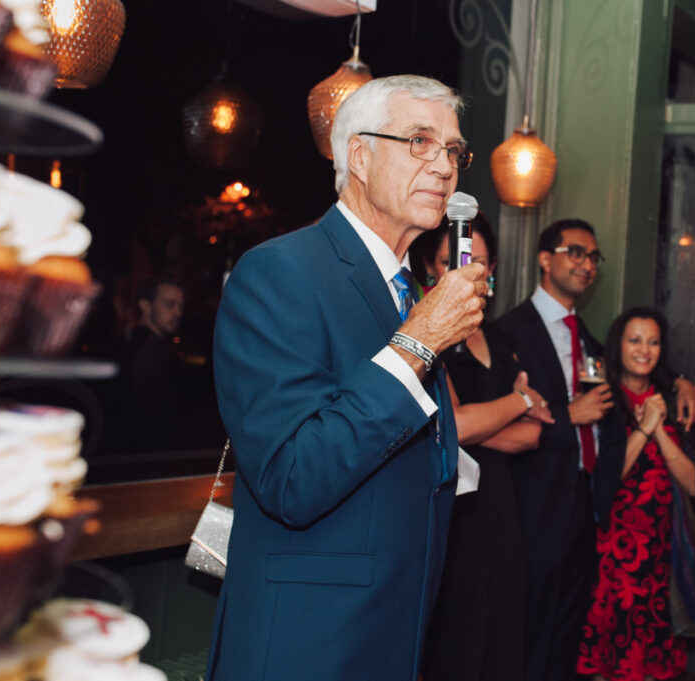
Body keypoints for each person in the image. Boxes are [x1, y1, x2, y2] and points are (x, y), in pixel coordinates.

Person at [207, 75, 489, 681]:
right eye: (420, 141)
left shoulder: (407, 289)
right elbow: (293, 476)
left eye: (453, 150)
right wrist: (418, 342)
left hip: (399, 626)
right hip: (309, 639)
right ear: (358, 156)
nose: (444, 166)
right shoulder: (279, 272)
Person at [496, 219, 695, 681]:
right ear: (545, 259)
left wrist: (684, 383)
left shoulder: (587, 339)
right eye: (575, 252)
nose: (587, 264)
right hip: (534, 509)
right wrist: (573, 414)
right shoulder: (511, 332)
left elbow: (646, 372)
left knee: (566, 643)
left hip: (587, 515)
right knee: (528, 635)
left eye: (593, 257)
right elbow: (500, 427)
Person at [415, 214, 553, 681]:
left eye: (476, 261)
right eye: (450, 260)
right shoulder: (430, 336)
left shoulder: (500, 337)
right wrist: (518, 401)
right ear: (432, 268)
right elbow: (454, 423)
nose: (464, 270)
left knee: (500, 635)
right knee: (456, 638)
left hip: (503, 506)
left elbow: (533, 434)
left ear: (491, 269)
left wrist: (475, 424)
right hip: (453, 510)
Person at [576, 307, 695, 681]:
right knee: (608, 661)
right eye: (634, 340)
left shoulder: (673, 401)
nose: (644, 349)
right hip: (611, 555)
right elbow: (603, 480)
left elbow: (694, 484)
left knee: (652, 666)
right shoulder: (602, 399)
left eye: (653, 341)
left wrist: (660, 428)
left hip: (660, 557)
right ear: (618, 346)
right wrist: (644, 428)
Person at [122, 276, 184, 451]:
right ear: (145, 306)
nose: (178, 313)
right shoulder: (146, 349)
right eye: (170, 304)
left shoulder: (149, 345)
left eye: (180, 306)